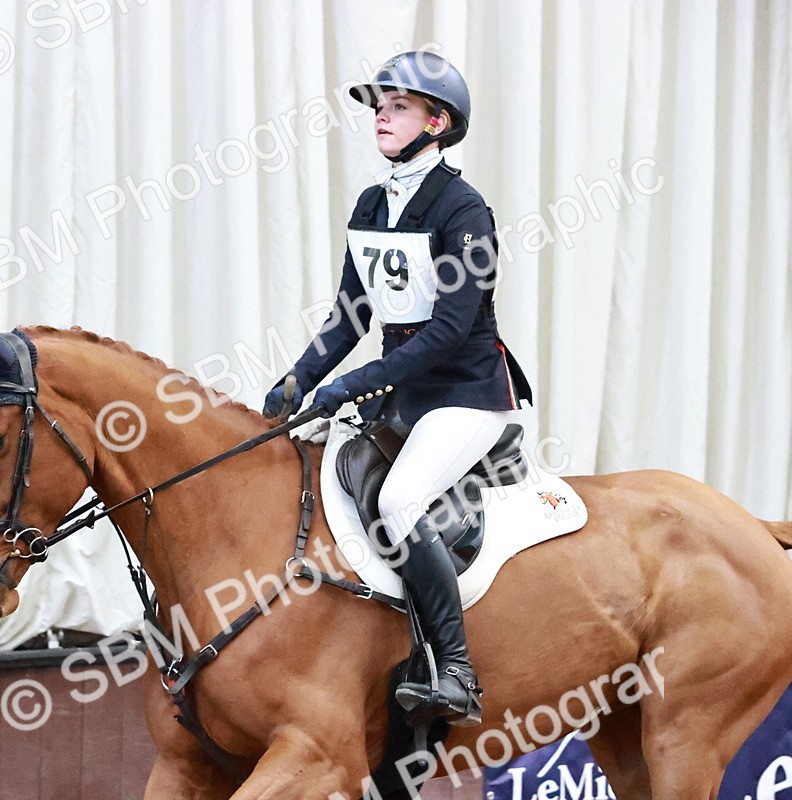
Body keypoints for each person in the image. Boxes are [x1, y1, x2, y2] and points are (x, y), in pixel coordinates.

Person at [262, 51, 532, 726]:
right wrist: (300, 379)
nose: (381, 115)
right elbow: (352, 314)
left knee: (401, 499)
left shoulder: (464, 209)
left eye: (399, 106)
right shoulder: (372, 203)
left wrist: (352, 383)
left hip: (465, 394)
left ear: (437, 122)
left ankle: (458, 671)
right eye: (378, 106)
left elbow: (446, 331)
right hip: (401, 394)